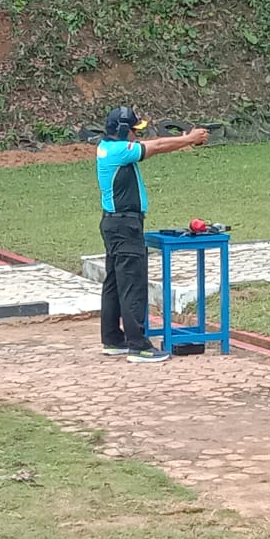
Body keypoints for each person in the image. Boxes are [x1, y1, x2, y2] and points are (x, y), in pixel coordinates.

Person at [96, 106, 208, 364]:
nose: (137, 135)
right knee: (133, 284)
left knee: (114, 283)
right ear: (124, 131)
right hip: (125, 226)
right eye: (135, 131)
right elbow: (155, 146)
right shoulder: (118, 151)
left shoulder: (106, 147)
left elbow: (152, 143)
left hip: (114, 224)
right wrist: (188, 140)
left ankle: (113, 339)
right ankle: (139, 346)